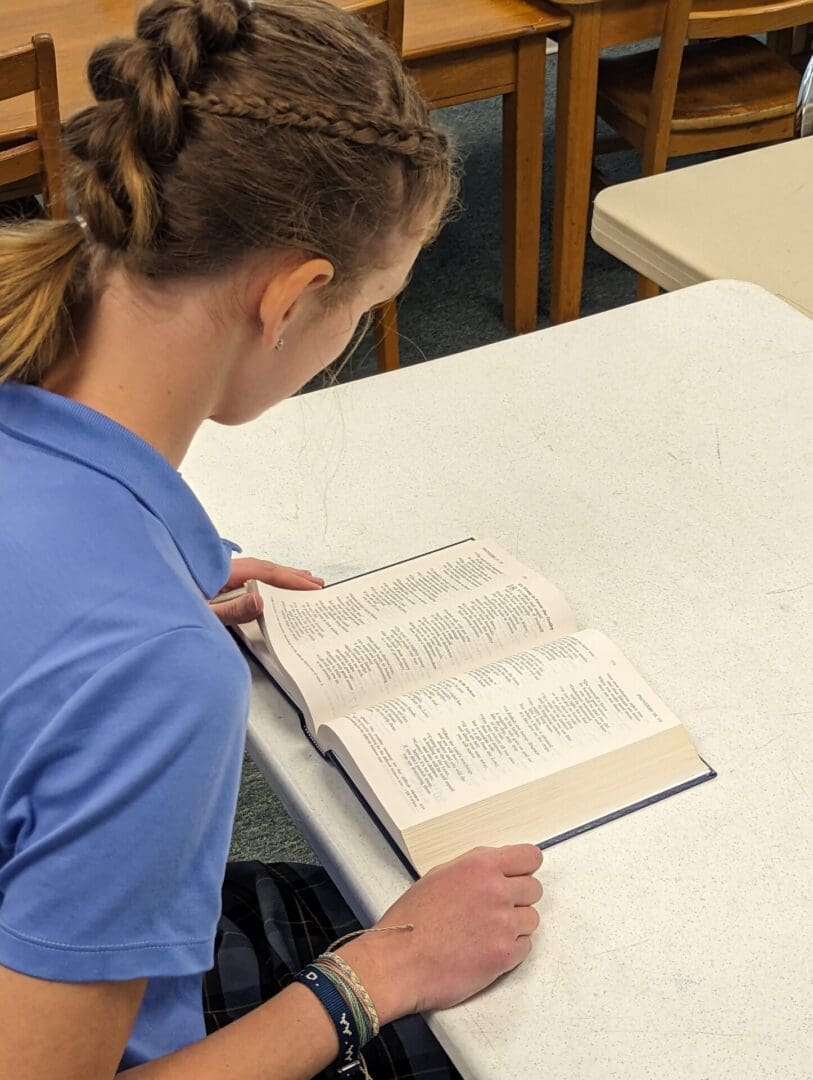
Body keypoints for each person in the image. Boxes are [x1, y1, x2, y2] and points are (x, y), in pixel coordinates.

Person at [0, 1, 544, 1077]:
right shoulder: (152, 675)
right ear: (293, 299)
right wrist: (377, 973)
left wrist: (140, 588)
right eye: (369, 308)